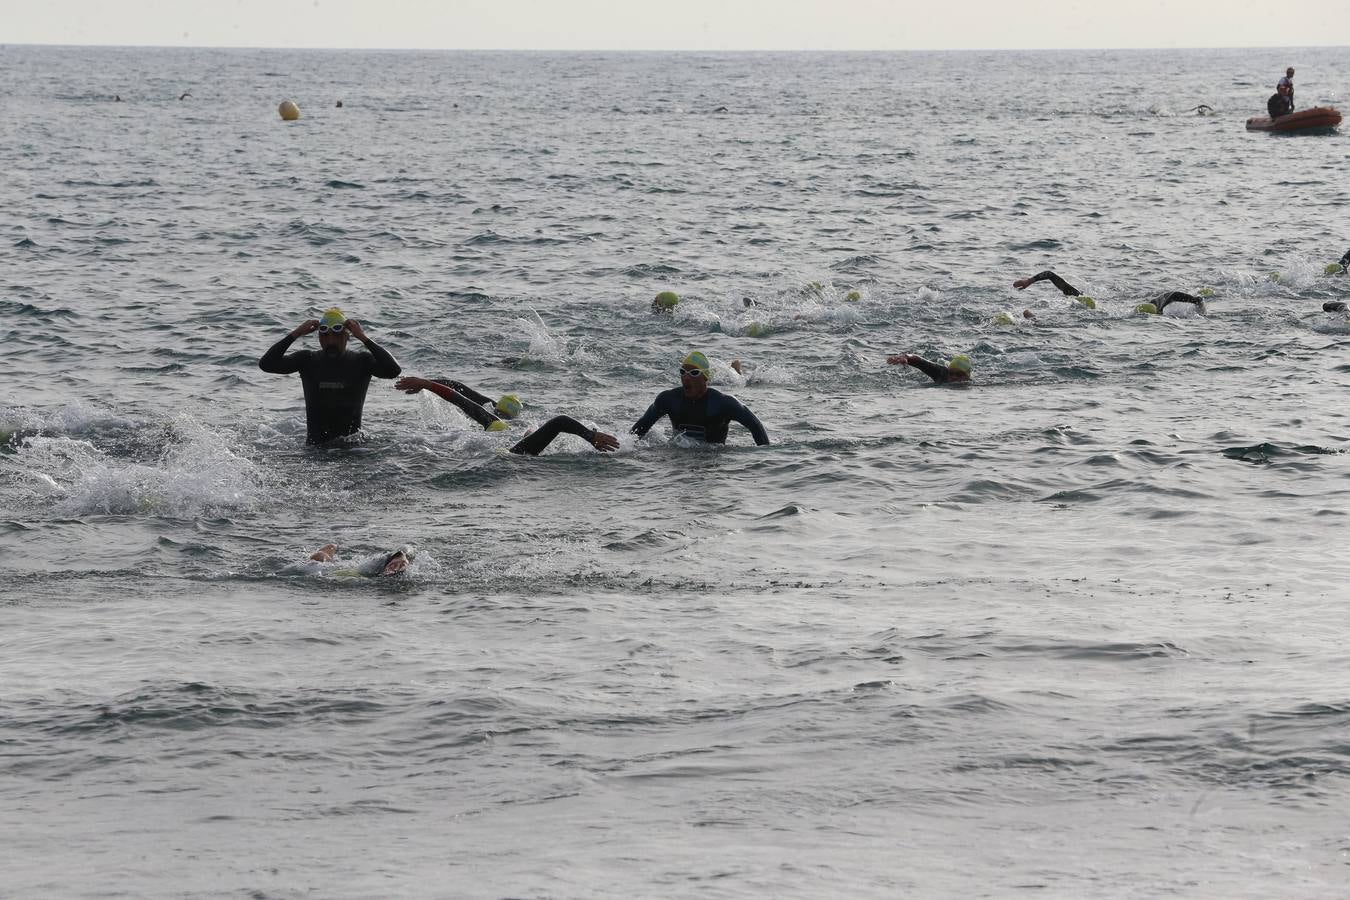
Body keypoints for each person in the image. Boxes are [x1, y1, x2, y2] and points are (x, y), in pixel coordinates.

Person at [259, 307, 402, 444]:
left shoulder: (362, 361)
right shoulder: (307, 360)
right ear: (319, 337)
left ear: (348, 336)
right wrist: (296, 333)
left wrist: (363, 337)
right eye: (325, 335)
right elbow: (266, 364)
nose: (331, 341)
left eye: (337, 335)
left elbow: (393, 370)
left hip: (353, 449)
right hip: (315, 449)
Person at [395, 376, 619, 455]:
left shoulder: (497, 425)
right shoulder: (507, 421)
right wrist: (427, 384)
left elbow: (461, 398)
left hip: (512, 457)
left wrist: (427, 384)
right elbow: (459, 391)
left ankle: (592, 436)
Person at [630, 351, 769, 445]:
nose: (686, 377)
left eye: (694, 373)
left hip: (712, 461)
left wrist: (765, 458)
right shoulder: (668, 399)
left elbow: (755, 425)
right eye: (682, 372)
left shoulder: (723, 403)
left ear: (705, 377)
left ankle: (736, 369)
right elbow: (639, 429)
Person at [1013, 270, 1207, 314]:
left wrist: (1029, 281)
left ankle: (1033, 321)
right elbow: (1171, 294)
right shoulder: (1087, 303)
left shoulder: (1094, 307)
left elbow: (1051, 275)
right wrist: (1197, 302)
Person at [306, 543, 411, 577]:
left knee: (320, 554)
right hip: (343, 569)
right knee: (321, 554)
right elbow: (401, 552)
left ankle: (333, 546)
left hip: (339, 571)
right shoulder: (376, 565)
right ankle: (333, 546)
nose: (393, 568)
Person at [886, 354, 972, 384]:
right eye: (951, 373)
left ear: (968, 376)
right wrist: (905, 357)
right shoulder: (942, 373)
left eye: (959, 374)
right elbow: (920, 362)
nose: (954, 377)